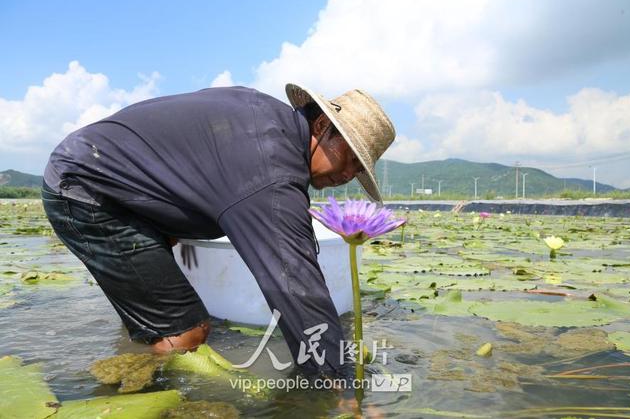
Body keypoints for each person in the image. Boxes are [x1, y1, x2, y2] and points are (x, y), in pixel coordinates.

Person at [41, 84, 395, 377]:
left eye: (359, 168)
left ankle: (142, 338)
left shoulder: (265, 118)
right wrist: (343, 386)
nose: (349, 174)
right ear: (320, 127)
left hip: (113, 180)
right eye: (350, 157)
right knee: (188, 333)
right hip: (88, 189)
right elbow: (296, 286)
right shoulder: (272, 169)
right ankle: (132, 384)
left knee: (160, 311)